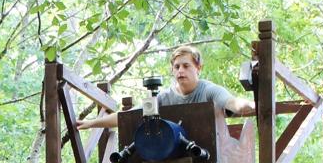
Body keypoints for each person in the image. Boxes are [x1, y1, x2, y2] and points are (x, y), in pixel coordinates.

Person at [77, 45, 255, 130]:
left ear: (198, 68)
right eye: (176, 67)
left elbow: (233, 103)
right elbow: (129, 116)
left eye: (186, 66)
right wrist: (92, 123)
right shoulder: (163, 98)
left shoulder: (209, 90)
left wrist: (255, 105)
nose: (180, 71)